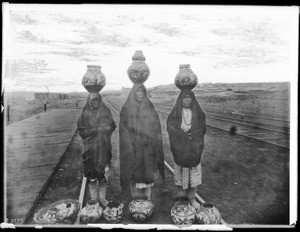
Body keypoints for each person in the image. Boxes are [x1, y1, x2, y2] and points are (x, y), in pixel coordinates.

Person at [119, 83, 165, 201]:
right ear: (133, 94)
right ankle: (136, 200)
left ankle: (147, 201)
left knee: (147, 174)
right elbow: (123, 129)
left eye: (142, 92)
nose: (140, 94)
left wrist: (152, 142)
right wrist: (129, 144)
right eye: (138, 92)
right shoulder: (126, 108)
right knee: (134, 174)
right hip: (133, 148)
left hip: (147, 149)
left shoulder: (150, 106)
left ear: (145, 94)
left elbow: (156, 128)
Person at [167, 90, 206, 210]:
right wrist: (182, 136)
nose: (187, 100)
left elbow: (202, 128)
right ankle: (181, 199)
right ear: (180, 100)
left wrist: (192, 135)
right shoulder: (175, 114)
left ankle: (192, 198)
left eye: (189, 98)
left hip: (194, 148)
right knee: (181, 174)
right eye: (184, 98)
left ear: (193, 99)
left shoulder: (199, 113)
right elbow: (171, 127)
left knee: (193, 175)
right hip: (180, 148)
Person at [77, 92, 116, 207]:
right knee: (92, 175)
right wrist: (93, 131)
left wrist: (105, 129)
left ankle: (102, 198)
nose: (95, 103)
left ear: (100, 101)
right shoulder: (85, 113)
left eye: (97, 101)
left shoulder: (106, 111)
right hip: (90, 150)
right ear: (89, 101)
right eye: (93, 101)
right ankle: (94, 197)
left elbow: (113, 125)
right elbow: (81, 130)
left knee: (103, 175)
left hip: (104, 148)